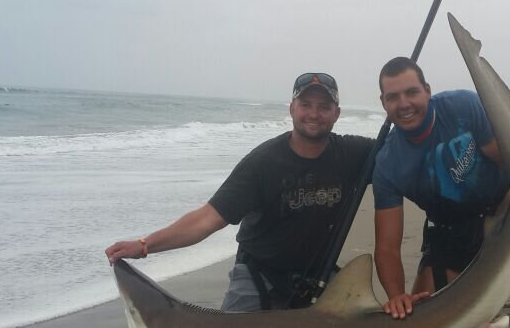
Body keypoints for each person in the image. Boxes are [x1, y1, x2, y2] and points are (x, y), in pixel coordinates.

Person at [106, 72, 375, 312]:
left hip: (320, 275)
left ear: (337, 113)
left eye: (324, 106)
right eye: (305, 105)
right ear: (292, 109)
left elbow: (404, 152)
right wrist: (144, 245)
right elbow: (206, 219)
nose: (314, 114)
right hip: (259, 275)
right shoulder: (263, 163)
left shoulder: (352, 155)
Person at [371, 57, 510, 328]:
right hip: (450, 229)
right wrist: (396, 295)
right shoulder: (388, 163)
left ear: (427, 91)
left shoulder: (462, 107)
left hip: (502, 204)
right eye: (393, 97)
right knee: (429, 325)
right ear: (383, 102)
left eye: (411, 92)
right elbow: (387, 246)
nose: (404, 104)